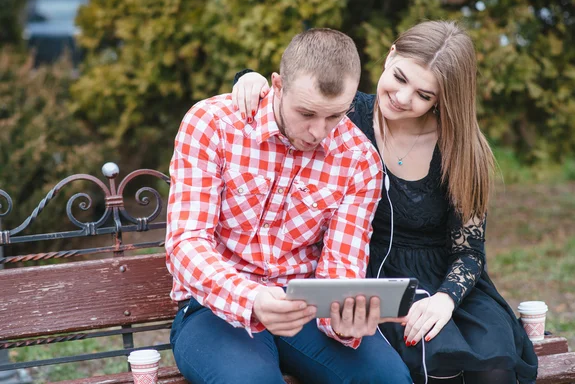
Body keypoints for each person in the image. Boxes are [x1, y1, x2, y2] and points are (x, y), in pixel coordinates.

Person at [232, 20, 539, 384]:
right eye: (400, 78)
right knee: (432, 359)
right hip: (375, 277)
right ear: (390, 55)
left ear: (444, 99)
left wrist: (446, 298)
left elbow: (470, 252)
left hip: (447, 283)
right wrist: (247, 77)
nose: (403, 97)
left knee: (491, 367)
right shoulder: (342, 116)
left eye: (425, 95)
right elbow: (299, 88)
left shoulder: (459, 148)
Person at [165, 28, 413, 384]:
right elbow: (186, 243)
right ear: (277, 85)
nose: (318, 131)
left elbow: (342, 266)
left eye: (335, 116)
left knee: (389, 378)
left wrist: (344, 323)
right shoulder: (212, 124)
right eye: (307, 113)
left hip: (306, 307)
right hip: (215, 309)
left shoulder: (359, 159)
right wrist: (252, 299)